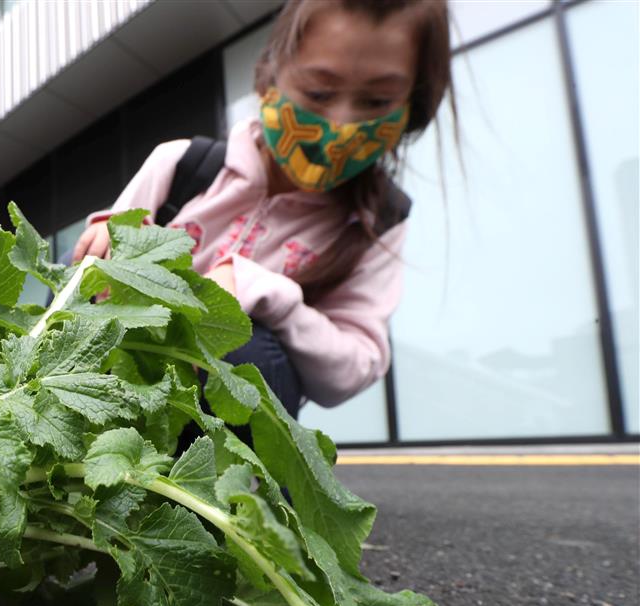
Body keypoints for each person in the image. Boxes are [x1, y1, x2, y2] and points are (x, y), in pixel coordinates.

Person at [72, 0, 454, 419]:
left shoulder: (373, 224)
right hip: (118, 410)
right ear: (269, 76)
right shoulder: (181, 165)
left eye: (377, 100)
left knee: (248, 350)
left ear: (412, 108)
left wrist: (261, 292)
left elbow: (351, 371)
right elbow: (87, 298)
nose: (341, 125)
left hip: (224, 444)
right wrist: (110, 240)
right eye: (319, 92)